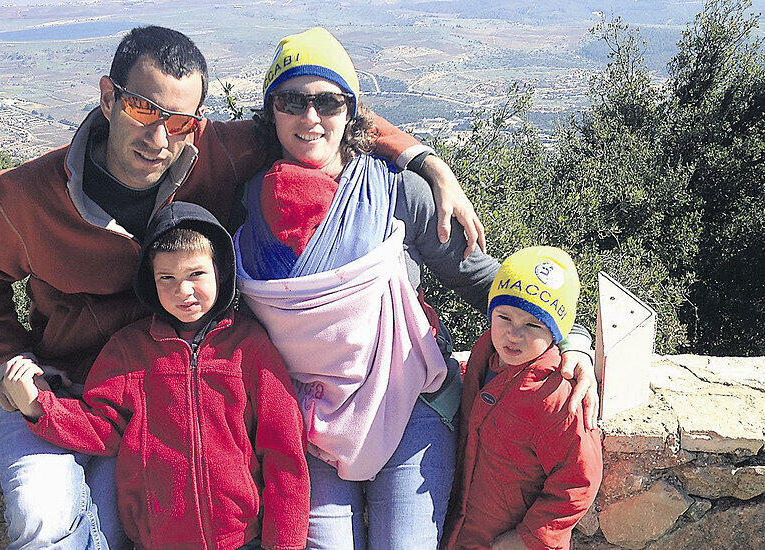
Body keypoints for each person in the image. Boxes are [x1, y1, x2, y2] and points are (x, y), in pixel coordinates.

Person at [0, 25, 480, 549]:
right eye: (143, 109)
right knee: (45, 520)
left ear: (196, 121)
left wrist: (423, 159)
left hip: (166, 390)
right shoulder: (22, 196)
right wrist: (5, 363)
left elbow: (317, 119)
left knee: (115, 527)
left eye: (178, 120)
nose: (159, 138)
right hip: (67, 384)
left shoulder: (216, 152)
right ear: (108, 97)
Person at [234, 27, 597, 549]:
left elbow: (485, 281)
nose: (311, 118)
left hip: (411, 404)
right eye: (292, 100)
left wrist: (573, 336)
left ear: (350, 110)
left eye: (328, 101)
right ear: (271, 110)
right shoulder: (247, 199)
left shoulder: (397, 191)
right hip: (308, 420)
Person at [0, 202, 310, 550]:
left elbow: (284, 450)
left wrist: (284, 544)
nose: (183, 291)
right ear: (151, 281)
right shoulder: (130, 350)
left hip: (242, 539)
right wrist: (38, 406)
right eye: (167, 278)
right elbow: (103, 426)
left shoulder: (249, 347)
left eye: (196, 274)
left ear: (220, 271)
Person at [443, 247, 602, 549]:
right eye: (504, 317)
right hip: (466, 531)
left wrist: (528, 538)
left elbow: (579, 480)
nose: (514, 335)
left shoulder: (555, 395)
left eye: (533, 324)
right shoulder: (484, 353)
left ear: (557, 332)